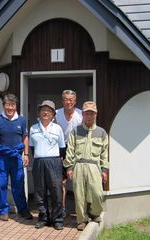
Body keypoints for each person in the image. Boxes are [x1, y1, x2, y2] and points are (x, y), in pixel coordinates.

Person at [63, 101, 109, 231]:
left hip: (94, 167)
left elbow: (104, 153)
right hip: (78, 165)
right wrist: (69, 167)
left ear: (96, 114)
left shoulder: (101, 132)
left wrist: (104, 170)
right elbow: (70, 150)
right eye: (87, 113)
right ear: (83, 114)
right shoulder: (75, 131)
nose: (89, 116)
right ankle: (81, 220)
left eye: (92, 113)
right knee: (79, 195)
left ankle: (95, 213)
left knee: (97, 193)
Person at [0, 93, 32, 221]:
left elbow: (25, 137)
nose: (10, 108)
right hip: (2, 157)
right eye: (8, 105)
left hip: (17, 157)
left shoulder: (22, 120)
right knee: (1, 184)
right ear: (4, 105)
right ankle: (3, 211)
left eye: (12, 105)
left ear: (16, 106)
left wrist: (26, 154)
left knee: (18, 183)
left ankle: (23, 209)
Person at [29, 100, 65, 230]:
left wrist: (52, 158)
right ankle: (43, 218)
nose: (45, 112)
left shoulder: (58, 128)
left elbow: (62, 148)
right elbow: (32, 148)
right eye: (43, 110)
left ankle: (57, 219)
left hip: (54, 162)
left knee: (56, 191)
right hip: (39, 162)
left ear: (53, 114)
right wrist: (41, 156)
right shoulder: (33, 128)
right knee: (40, 192)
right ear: (39, 112)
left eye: (48, 110)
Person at [55, 89, 82, 218]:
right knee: (62, 182)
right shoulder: (56, 114)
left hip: (77, 149)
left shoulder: (81, 115)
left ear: (75, 101)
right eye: (66, 99)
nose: (68, 102)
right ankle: (62, 209)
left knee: (78, 181)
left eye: (71, 100)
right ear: (62, 101)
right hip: (61, 149)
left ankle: (80, 210)